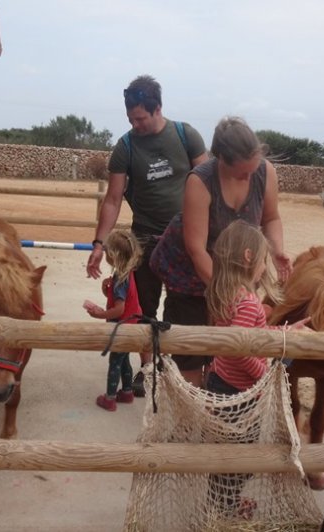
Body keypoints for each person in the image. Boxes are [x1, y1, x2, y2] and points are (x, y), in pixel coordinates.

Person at [86, 74, 208, 396]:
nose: (135, 125)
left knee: (186, 308)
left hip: (185, 242)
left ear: (157, 109)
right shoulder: (125, 146)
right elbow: (113, 199)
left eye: (140, 118)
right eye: (130, 119)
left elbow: (209, 189)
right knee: (141, 310)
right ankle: (148, 368)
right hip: (143, 241)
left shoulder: (186, 136)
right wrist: (99, 243)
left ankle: (187, 369)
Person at [150, 116, 291, 387]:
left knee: (232, 353)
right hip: (194, 279)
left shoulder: (265, 172)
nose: (249, 177)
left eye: (253, 170)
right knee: (191, 353)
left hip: (237, 279)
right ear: (222, 161)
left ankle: (215, 408)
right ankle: (191, 410)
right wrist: (228, 294)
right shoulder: (200, 181)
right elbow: (196, 249)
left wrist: (277, 250)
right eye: (242, 173)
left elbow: (271, 218)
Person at [202, 220, 310, 517]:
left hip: (221, 384)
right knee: (243, 456)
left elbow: (250, 336)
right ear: (249, 257)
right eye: (264, 259)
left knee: (229, 451)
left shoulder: (226, 294)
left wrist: (285, 333)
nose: (265, 266)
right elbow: (239, 350)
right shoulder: (248, 302)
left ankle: (223, 500)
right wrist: (264, 377)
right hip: (241, 393)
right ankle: (226, 504)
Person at [84, 229, 144, 411]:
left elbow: (119, 309)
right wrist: (106, 291)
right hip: (133, 324)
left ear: (113, 255)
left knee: (115, 362)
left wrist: (99, 314)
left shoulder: (120, 278)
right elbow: (122, 300)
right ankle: (126, 392)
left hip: (122, 327)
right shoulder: (128, 273)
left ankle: (109, 398)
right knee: (124, 360)